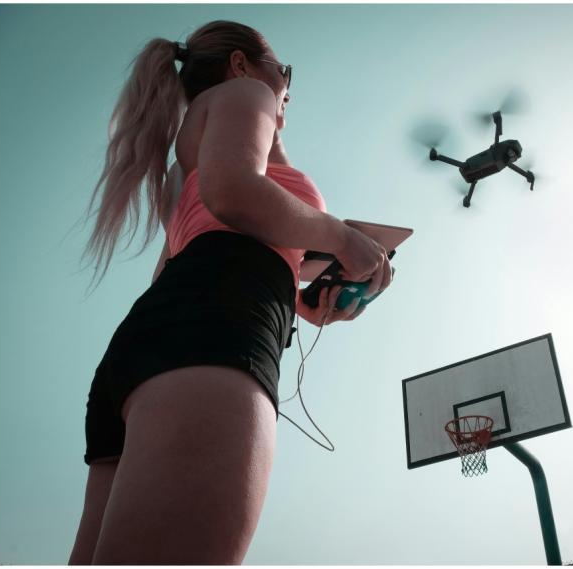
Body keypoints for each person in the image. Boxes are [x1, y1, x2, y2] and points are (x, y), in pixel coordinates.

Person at [68, 20, 391, 564]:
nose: (286, 88)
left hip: (155, 345)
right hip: (214, 343)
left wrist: (301, 301)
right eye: (284, 72)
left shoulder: (185, 161)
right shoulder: (247, 94)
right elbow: (235, 192)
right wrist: (343, 239)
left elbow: (205, 249)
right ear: (242, 65)